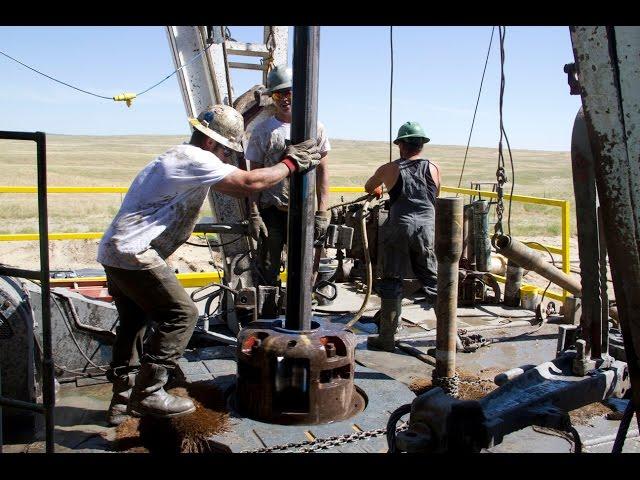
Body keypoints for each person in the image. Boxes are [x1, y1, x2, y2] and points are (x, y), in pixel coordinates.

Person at [97, 104, 321, 424]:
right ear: (212, 143)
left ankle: (122, 399)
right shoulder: (196, 157)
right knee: (182, 314)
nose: (228, 158)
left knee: (134, 323)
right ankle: (148, 393)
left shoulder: (176, 156)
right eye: (227, 151)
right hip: (134, 253)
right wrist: (290, 163)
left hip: (114, 252)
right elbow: (248, 183)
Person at [245, 64, 331, 286]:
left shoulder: (316, 128)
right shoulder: (263, 131)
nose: (284, 99)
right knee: (267, 273)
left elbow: (322, 173)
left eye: (289, 93)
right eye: (278, 94)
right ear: (272, 97)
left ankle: (299, 316)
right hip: (271, 213)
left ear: (300, 94)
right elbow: (254, 175)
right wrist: (254, 214)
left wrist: (322, 212)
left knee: (302, 275)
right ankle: (268, 316)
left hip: (303, 213)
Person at [363, 121, 441, 352]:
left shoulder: (388, 169)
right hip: (427, 229)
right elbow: (435, 195)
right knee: (434, 282)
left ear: (399, 145)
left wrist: (379, 189)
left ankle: (386, 338)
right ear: (421, 145)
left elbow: (369, 186)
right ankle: (449, 339)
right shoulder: (434, 168)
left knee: (392, 279)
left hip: (399, 228)